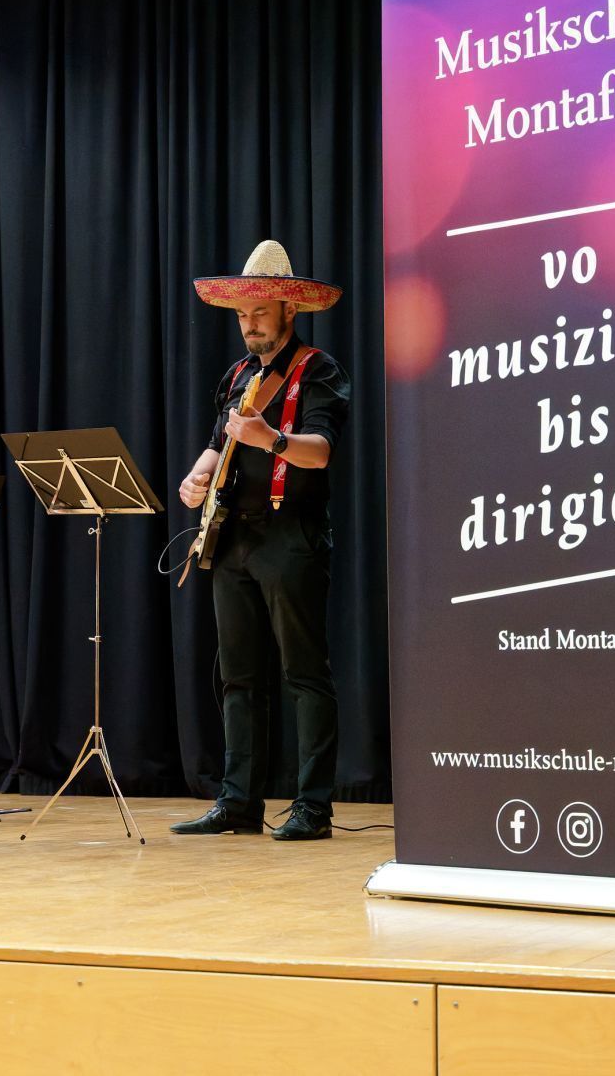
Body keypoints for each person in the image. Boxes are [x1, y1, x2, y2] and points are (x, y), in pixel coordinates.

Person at [171, 240, 350, 842]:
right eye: (242, 315)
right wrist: (196, 478)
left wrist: (270, 438)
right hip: (234, 538)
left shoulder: (319, 370)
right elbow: (218, 443)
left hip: (291, 535)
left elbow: (320, 453)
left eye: (259, 313)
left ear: (288, 310)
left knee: (305, 674)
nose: (249, 325)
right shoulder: (237, 374)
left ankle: (313, 808)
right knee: (238, 676)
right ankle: (239, 803)